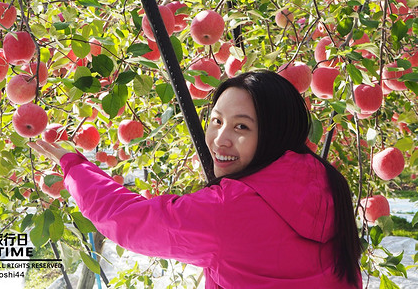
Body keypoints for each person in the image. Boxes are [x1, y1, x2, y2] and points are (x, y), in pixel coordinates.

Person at [29, 70, 362, 288]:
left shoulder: (230, 210)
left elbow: (127, 220)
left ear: (274, 132)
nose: (220, 139)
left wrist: (74, 167)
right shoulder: (325, 182)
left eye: (241, 126)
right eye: (216, 121)